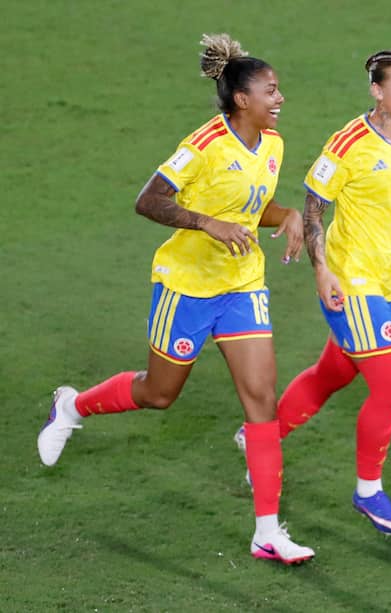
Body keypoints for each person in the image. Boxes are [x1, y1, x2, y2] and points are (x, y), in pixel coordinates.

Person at [37, 33, 314, 565]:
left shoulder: (272, 146)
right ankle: (71, 406)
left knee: (260, 403)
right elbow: (150, 200)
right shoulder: (205, 144)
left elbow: (252, 207)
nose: (279, 99)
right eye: (271, 91)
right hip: (186, 286)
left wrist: (289, 216)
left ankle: (266, 532)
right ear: (242, 100)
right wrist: (205, 222)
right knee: (159, 394)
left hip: (241, 284)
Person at [236, 49, 391, 537]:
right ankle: (368, 491)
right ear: (378, 91)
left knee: (334, 371)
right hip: (352, 282)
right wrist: (322, 271)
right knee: (390, 386)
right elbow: (313, 211)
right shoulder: (348, 144)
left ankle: (261, 437)